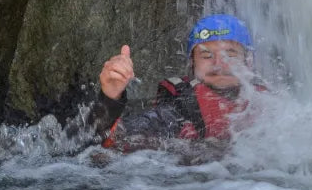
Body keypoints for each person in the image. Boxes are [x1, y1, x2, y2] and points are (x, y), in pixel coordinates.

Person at [86, 14, 265, 163]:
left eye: (230, 54)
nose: (219, 64)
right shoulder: (180, 109)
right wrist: (110, 98)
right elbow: (109, 141)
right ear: (192, 65)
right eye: (206, 55)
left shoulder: (272, 105)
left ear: (248, 61)